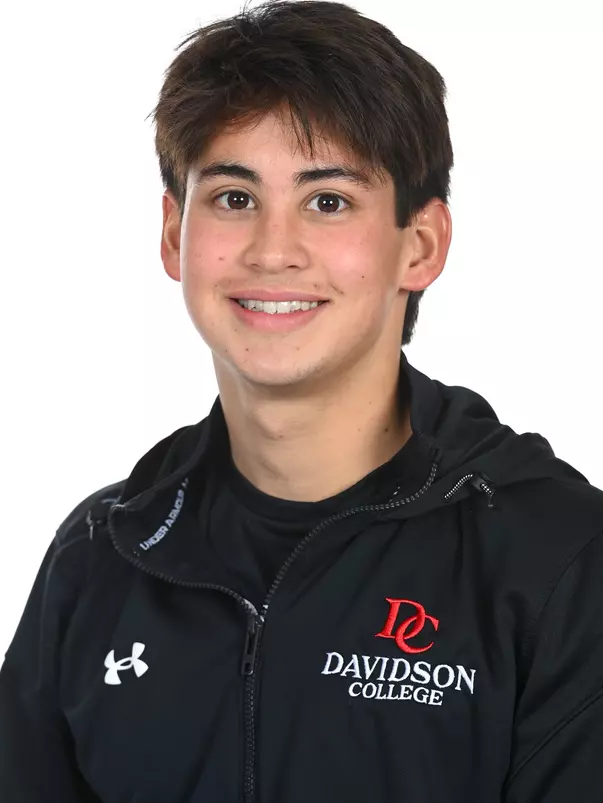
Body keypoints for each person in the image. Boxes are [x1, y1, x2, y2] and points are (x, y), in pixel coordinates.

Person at [1, 0, 602, 800]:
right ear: (175, 236)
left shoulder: (559, 560)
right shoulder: (101, 554)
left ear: (420, 245)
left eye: (327, 201)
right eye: (234, 198)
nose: (272, 250)